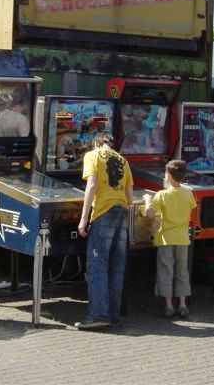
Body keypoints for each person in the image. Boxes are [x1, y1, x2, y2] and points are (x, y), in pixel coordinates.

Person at [76, 133, 133, 330]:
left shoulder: (92, 155)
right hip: (122, 211)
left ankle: (98, 315)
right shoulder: (123, 160)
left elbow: (91, 185)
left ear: (96, 143)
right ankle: (113, 315)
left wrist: (83, 219)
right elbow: (130, 194)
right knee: (116, 266)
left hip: (103, 212)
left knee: (97, 265)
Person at [143, 160, 196, 318]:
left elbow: (149, 214)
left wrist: (147, 199)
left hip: (165, 238)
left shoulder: (162, 195)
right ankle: (182, 304)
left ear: (170, 176)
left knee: (166, 270)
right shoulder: (188, 193)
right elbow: (191, 209)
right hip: (182, 238)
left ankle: (168, 305)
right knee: (182, 271)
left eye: (166, 173)